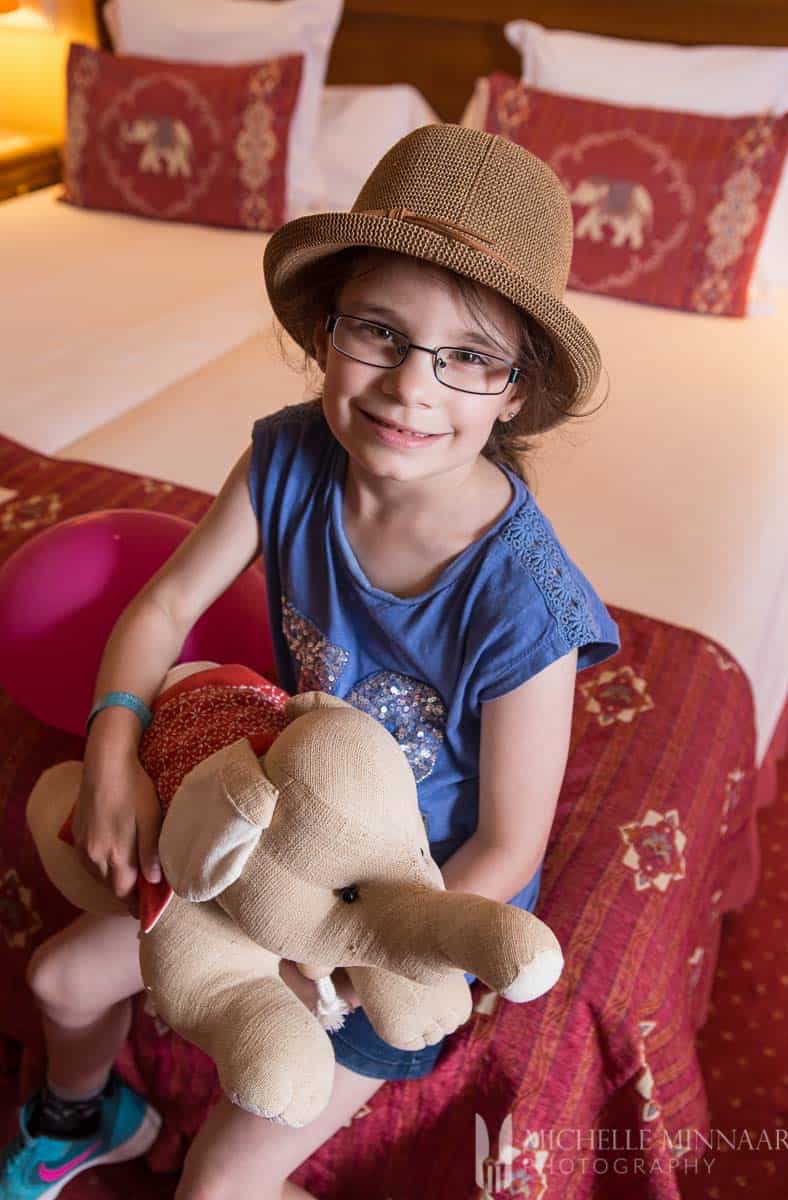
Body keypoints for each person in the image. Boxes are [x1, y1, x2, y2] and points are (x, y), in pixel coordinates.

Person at [0, 124, 621, 1200]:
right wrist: (111, 751)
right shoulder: (288, 455)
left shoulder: (526, 603)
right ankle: (90, 1115)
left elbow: (507, 842)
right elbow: (165, 606)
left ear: (514, 391)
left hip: (388, 918)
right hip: (263, 838)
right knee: (59, 979)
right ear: (325, 330)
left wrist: (334, 957)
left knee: (215, 1191)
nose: (409, 388)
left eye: (467, 356)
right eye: (377, 332)